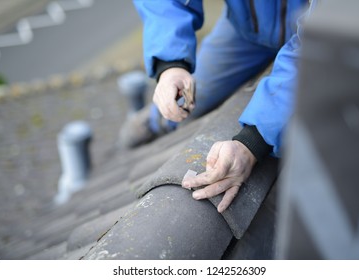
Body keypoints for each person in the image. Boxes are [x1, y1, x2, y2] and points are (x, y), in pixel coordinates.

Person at [130, 0, 314, 212]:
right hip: (246, 31)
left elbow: (323, 45)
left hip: (310, 37)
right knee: (187, 95)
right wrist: (170, 64)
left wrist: (253, 142)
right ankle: (155, 121)